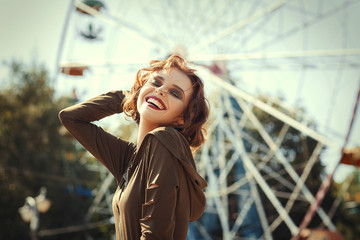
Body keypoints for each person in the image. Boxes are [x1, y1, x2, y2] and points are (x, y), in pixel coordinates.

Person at [59, 55, 210, 240]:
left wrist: (143, 94)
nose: (161, 90)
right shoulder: (130, 158)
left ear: (181, 118)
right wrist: (132, 96)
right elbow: (71, 118)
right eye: (156, 82)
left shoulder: (164, 140)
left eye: (175, 93)